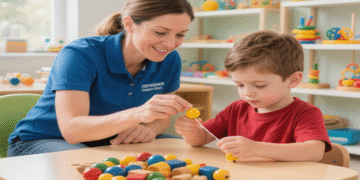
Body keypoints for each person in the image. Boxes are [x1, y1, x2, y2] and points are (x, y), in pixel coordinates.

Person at [7, 0, 195, 157]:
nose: (171, 44)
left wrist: (149, 129)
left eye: (180, 35)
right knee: (92, 169)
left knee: (186, 157)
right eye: (160, 33)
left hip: (111, 140)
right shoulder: (79, 54)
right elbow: (72, 130)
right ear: (129, 24)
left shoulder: (169, 60)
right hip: (44, 140)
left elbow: (161, 120)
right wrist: (138, 114)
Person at [175, 30, 332, 162]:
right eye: (240, 85)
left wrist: (256, 148)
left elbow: (314, 152)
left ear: (293, 80)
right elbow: (200, 140)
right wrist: (190, 132)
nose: (247, 92)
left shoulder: (306, 114)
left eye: (260, 85)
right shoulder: (236, 109)